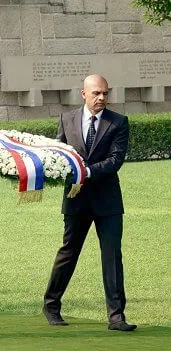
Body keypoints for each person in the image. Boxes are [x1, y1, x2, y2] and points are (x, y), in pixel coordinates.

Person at [42, 74, 136, 332]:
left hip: (108, 202)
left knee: (112, 256)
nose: (102, 98)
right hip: (75, 200)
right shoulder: (66, 119)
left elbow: (116, 160)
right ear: (83, 94)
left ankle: (116, 317)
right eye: (96, 93)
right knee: (68, 252)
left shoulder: (119, 122)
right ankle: (51, 306)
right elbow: (59, 155)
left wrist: (86, 172)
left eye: (105, 93)